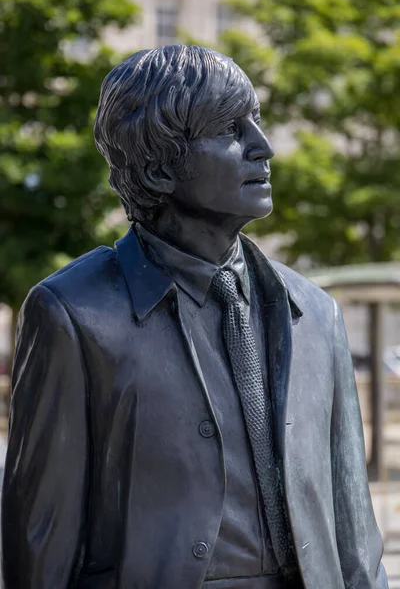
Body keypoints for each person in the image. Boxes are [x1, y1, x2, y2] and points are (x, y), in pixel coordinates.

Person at [2, 45, 388, 589]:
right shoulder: (73, 315)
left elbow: (355, 538)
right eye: (232, 129)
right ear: (160, 165)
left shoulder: (316, 315)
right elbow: (41, 547)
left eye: (258, 122)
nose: (264, 147)